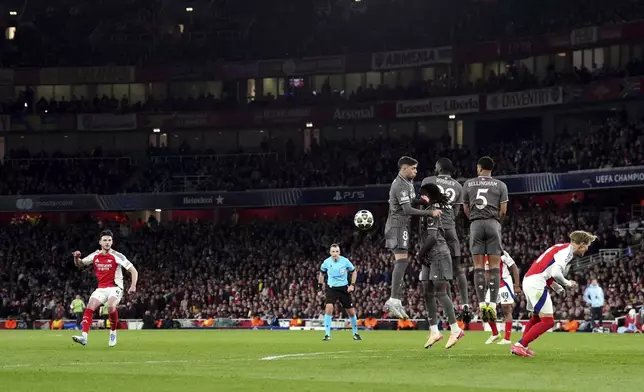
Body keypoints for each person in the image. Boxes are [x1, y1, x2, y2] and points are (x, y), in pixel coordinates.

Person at [511, 231, 597, 358]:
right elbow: (556, 273)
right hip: (536, 283)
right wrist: (567, 283)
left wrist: (557, 287)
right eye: (587, 246)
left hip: (531, 279)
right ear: (581, 244)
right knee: (548, 322)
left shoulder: (559, 247)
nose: (586, 249)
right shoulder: (567, 252)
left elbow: (547, 270)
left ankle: (523, 345)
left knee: (537, 318)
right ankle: (520, 345)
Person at [385, 156, 441, 319]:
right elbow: (408, 209)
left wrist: (420, 200)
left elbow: (410, 202)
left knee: (403, 261)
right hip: (397, 226)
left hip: (401, 225)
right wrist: (430, 211)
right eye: (413, 168)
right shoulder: (400, 185)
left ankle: (396, 300)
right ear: (404, 168)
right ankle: (393, 300)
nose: (416, 172)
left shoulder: (407, 183)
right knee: (401, 261)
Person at [71, 230, 138, 347]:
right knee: (90, 306)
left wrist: (133, 285)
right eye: (105, 240)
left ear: (112, 242)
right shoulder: (95, 255)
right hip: (101, 288)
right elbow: (80, 264)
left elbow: (133, 270)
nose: (107, 242)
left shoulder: (117, 256)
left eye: (109, 240)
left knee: (111, 306)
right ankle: (84, 337)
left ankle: (113, 333)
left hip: (115, 287)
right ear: (100, 242)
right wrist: (76, 258)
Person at [418, 183, 464, 349]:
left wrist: (419, 254)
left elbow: (431, 238)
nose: (420, 197)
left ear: (428, 196)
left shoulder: (433, 211)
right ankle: (434, 331)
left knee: (440, 291)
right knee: (427, 292)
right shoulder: (427, 209)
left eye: (422, 195)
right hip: (429, 256)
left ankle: (455, 329)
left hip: (437, 253)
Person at [421, 158, 469, 317]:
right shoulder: (458, 186)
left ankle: (449, 304)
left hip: (435, 228)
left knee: (441, 271)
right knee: (457, 269)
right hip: (450, 229)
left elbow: (423, 204)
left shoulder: (428, 181)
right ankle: (465, 304)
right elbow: (456, 211)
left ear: (439, 168)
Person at [463, 156, 508, 323]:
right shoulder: (501, 185)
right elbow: (503, 211)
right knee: (495, 267)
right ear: (492, 169)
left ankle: (482, 305)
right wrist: (496, 222)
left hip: (475, 224)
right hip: (493, 224)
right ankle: (493, 307)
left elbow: (466, 208)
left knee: (479, 267)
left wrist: (475, 218)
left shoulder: (468, 184)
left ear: (478, 168)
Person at [318, 244, 361, 341]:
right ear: (330, 252)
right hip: (331, 288)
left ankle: (355, 333)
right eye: (333, 251)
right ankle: (327, 334)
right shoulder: (326, 262)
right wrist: (319, 287)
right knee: (329, 308)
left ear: (339, 252)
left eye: (336, 251)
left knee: (350, 311)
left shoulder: (345, 261)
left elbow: (354, 271)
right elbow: (321, 273)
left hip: (343, 288)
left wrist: (352, 285)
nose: (335, 254)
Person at [484, 250, 521, 345]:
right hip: (493, 284)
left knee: (506, 309)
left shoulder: (502, 253)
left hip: (504, 283)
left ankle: (507, 339)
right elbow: (487, 272)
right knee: (486, 310)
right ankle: (495, 333)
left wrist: (517, 285)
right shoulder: (485, 255)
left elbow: (514, 268)